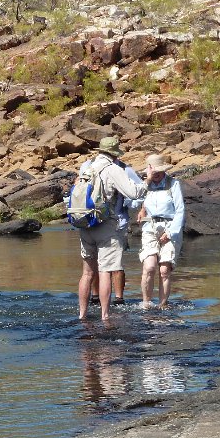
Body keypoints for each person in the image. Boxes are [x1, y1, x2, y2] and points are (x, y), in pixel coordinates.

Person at [77, 137, 146, 321]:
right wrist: (147, 183)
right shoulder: (113, 169)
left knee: (87, 273)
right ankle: (105, 315)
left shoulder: (87, 167)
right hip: (106, 225)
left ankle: (82, 314)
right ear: (115, 154)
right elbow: (132, 193)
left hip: (85, 223)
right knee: (105, 271)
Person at [88, 158, 143, 306]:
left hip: (91, 222)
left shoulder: (87, 167)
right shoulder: (124, 170)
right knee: (114, 264)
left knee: (96, 264)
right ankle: (116, 300)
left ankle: (98, 299)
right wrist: (128, 201)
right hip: (115, 222)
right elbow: (139, 194)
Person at [135, 153, 185, 309]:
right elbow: (132, 200)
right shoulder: (146, 185)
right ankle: (146, 304)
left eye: (158, 172)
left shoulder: (173, 184)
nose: (155, 175)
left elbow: (180, 211)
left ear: (164, 171)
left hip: (170, 227)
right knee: (149, 267)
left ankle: (162, 305)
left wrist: (170, 233)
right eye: (152, 172)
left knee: (164, 270)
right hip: (150, 227)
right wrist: (141, 208)